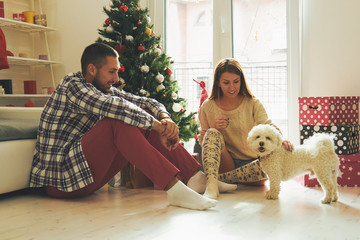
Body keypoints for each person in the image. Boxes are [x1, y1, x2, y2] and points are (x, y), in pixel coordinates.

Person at [29, 43, 235, 210]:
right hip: (61, 181)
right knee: (117, 120)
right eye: (111, 72)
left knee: (137, 118)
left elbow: (144, 102)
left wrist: (165, 118)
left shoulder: (104, 89)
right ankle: (174, 189)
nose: (116, 79)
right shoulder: (72, 87)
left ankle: (196, 177)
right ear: (91, 69)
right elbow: (114, 107)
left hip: (84, 178)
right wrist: (157, 127)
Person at [198, 58, 294, 199]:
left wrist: (283, 139)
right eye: (226, 82)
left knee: (273, 161)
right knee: (212, 133)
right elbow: (203, 140)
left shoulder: (252, 102)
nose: (232, 87)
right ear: (218, 82)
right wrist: (214, 128)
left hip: (254, 164)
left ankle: (218, 180)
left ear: (242, 81)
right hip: (226, 162)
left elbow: (268, 125)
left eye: (236, 81)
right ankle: (214, 184)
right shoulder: (207, 106)